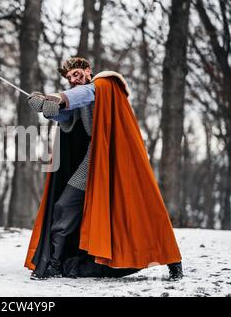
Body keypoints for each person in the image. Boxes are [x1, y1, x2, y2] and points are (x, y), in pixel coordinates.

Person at [25, 57, 183, 280]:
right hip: (92, 160)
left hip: (115, 160)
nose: (74, 80)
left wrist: (57, 98)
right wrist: (46, 108)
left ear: (88, 71)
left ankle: (173, 260)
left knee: (141, 211)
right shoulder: (77, 94)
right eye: (69, 78)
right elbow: (67, 115)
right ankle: (54, 264)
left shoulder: (105, 84)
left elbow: (84, 94)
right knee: (64, 206)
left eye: (77, 74)